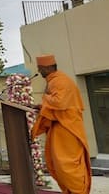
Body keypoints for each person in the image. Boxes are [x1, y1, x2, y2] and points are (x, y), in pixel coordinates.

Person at [32, 54, 91, 194]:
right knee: (59, 165)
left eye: (40, 68)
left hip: (68, 129)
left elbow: (59, 103)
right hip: (61, 127)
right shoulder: (54, 81)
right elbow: (58, 104)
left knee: (67, 166)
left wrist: (45, 98)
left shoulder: (60, 81)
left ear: (47, 67)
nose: (39, 71)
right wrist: (41, 107)